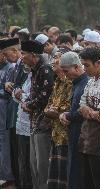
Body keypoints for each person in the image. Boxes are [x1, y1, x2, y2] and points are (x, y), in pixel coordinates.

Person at [77, 47, 100, 189]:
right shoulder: (91, 81)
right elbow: (81, 106)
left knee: (99, 180)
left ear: (98, 63)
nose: (84, 69)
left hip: (99, 139)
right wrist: (90, 111)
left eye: (87, 65)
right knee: (87, 180)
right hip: (86, 137)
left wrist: (89, 111)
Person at [21, 40, 54, 189]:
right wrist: (26, 101)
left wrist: (28, 104)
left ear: (33, 55)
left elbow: (44, 96)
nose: (21, 57)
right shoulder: (34, 69)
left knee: (42, 164)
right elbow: (33, 92)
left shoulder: (45, 69)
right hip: (34, 121)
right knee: (33, 163)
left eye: (23, 54)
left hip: (44, 123)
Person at [58, 51, 89, 189]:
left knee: (78, 171)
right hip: (74, 131)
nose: (65, 75)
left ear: (76, 67)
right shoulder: (76, 82)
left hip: (83, 133)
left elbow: (83, 110)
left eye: (66, 71)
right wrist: (66, 114)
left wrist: (67, 115)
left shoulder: (86, 83)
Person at [45, 49, 72, 189]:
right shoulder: (57, 82)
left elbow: (68, 108)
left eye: (56, 57)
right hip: (56, 133)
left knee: (65, 175)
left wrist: (55, 111)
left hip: (66, 135)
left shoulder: (70, 82)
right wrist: (50, 111)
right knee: (55, 176)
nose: (52, 61)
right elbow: (49, 105)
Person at [0, 39, 17, 189]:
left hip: (5, 107)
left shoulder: (11, 68)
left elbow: (8, 92)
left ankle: (7, 174)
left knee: (3, 139)